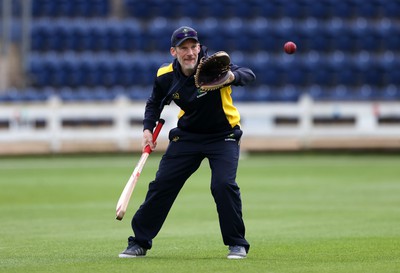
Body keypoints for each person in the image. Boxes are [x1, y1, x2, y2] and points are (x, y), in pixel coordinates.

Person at [119, 26, 256, 259]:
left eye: (194, 47)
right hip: (188, 136)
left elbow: (249, 75)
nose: (190, 52)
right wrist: (147, 130)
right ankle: (139, 242)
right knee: (162, 185)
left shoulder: (213, 66)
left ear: (200, 48)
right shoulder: (165, 76)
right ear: (174, 52)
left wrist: (232, 77)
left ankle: (237, 244)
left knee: (223, 185)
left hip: (223, 135)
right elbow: (154, 104)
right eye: (184, 48)